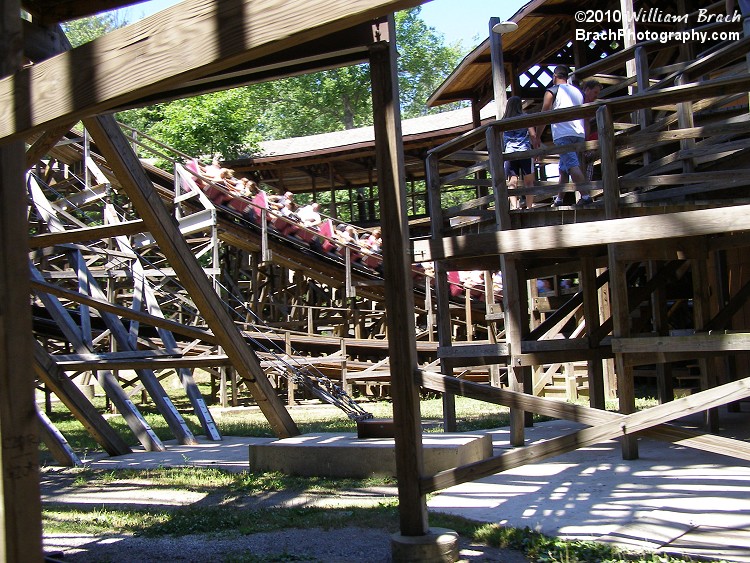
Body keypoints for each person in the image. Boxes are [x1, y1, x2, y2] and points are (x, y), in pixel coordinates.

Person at [536, 65, 591, 206]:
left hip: (563, 134)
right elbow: (585, 115)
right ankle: (559, 199)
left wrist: (537, 137)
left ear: (555, 76)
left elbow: (543, 116)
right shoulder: (578, 92)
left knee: (572, 165)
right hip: (578, 133)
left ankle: (585, 196)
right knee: (563, 167)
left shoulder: (552, 91)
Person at [502, 96, 538, 209]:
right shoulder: (525, 118)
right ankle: (529, 206)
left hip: (510, 153)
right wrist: (536, 149)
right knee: (529, 181)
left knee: (512, 181)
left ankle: (514, 206)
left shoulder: (504, 120)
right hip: (524, 151)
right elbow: (533, 135)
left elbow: (500, 139)